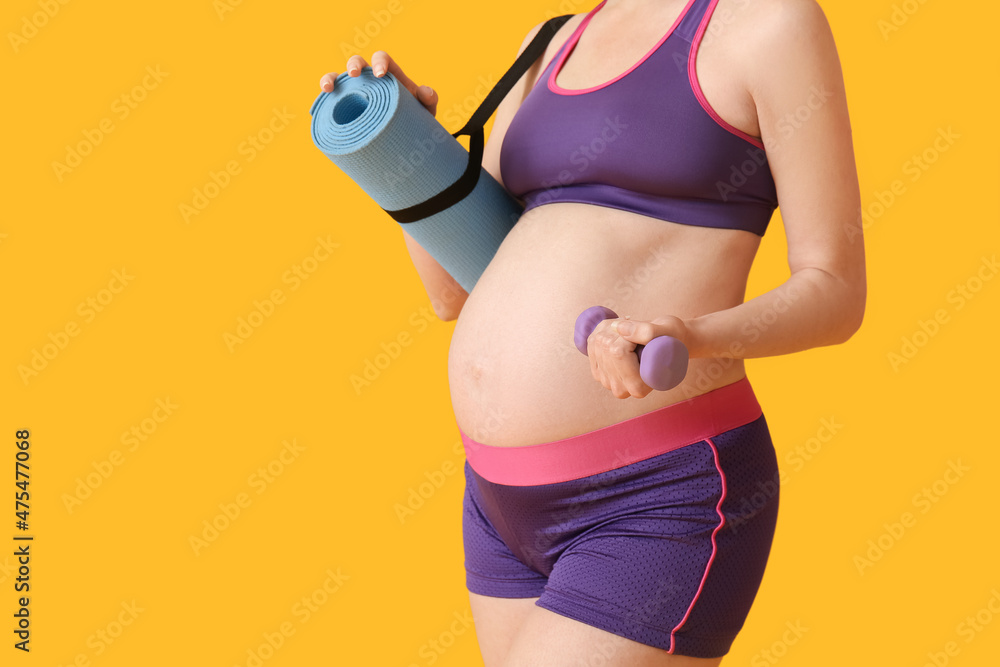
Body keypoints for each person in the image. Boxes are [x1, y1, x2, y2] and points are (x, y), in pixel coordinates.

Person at [321, 0, 865, 664]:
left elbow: (835, 290)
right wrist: (407, 151)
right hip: (499, 505)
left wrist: (692, 335)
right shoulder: (549, 41)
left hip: (656, 495)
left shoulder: (766, 24)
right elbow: (452, 292)